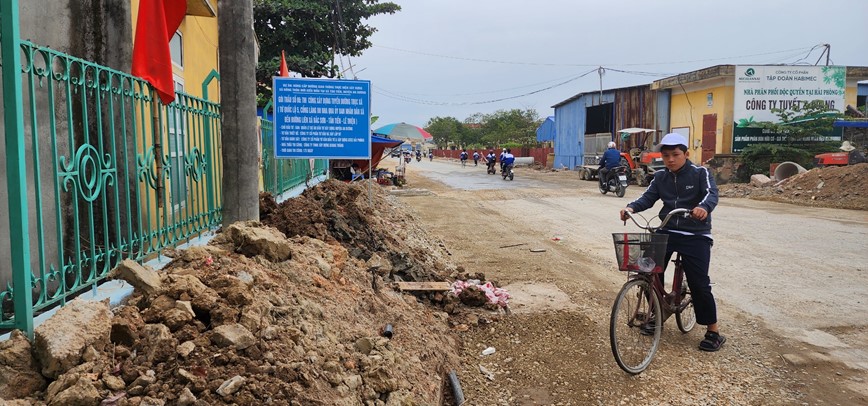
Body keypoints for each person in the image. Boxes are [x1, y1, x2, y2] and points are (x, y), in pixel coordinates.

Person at [619, 133, 724, 352]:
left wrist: (703, 208)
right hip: (666, 229)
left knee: (699, 283)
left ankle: (713, 331)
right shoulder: (660, 177)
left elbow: (711, 194)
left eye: (675, 155)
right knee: (645, 270)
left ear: (686, 154)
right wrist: (630, 208)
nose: (670, 160)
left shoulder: (700, 173)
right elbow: (647, 198)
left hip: (695, 234)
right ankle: (658, 312)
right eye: (666, 156)